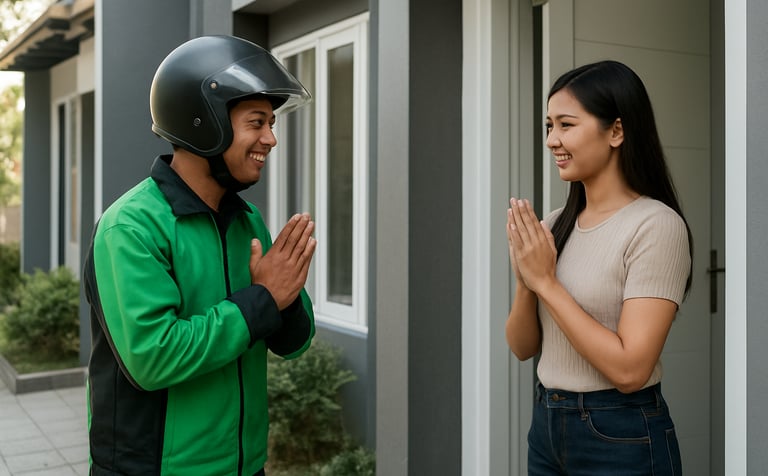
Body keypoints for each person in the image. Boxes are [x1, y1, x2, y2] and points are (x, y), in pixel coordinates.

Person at [84, 35, 317, 475]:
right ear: (203, 123)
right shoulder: (131, 227)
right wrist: (263, 300)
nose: (270, 139)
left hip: (245, 467)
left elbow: (294, 343)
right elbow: (153, 357)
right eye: (256, 122)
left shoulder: (246, 220)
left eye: (272, 123)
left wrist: (285, 301)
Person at [505, 60, 692, 475]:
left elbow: (630, 369)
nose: (552, 140)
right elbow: (522, 348)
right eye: (548, 126)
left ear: (617, 131)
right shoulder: (554, 225)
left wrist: (546, 282)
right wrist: (525, 282)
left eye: (566, 124)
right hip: (547, 426)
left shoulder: (656, 226)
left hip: (621, 434)